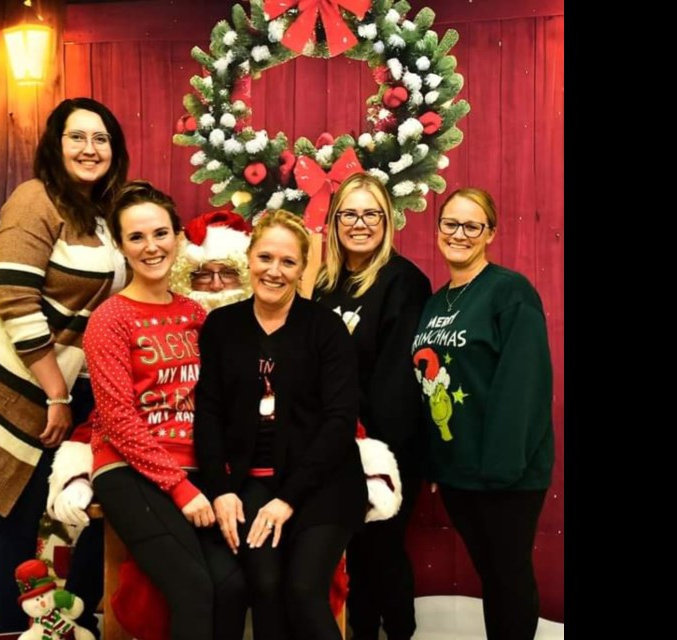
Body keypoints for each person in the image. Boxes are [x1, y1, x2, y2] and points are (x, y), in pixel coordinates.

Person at [0, 97, 129, 633]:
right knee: (14, 510)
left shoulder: (105, 212)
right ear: (55, 144)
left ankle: (72, 618)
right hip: (16, 376)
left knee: (105, 498)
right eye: (78, 137)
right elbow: (16, 302)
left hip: (70, 377)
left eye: (101, 139)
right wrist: (57, 396)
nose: (90, 149)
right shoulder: (34, 199)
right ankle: (10, 630)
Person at [83, 181, 246, 640]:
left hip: (195, 469)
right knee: (193, 587)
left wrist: (222, 482)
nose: (150, 246)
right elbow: (117, 419)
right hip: (129, 471)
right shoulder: (110, 320)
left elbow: (217, 405)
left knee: (232, 585)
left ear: (177, 236)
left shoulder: (196, 314)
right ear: (121, 246)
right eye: (136, 237)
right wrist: (179, 489)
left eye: (160, 233)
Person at [194, 210, 367, 640]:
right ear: (249, 259)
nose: (274, 271)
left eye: (288, 262)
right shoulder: (221, 326)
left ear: (302, 268)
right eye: (265, 257)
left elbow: (340, 421)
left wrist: (288, 499)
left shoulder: (325, 328)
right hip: (252, 482)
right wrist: (221, 490)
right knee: (265, 586)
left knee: (303, 590)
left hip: (323, 483)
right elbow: (209, 413)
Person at [411, 188, 554, 640]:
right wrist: (437, 460)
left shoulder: (509, 291)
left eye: (472, 225)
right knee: (492, 577)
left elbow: (524, 383)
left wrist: (502, 467)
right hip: (458, 472)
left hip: (505, 473)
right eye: (450, 223)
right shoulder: (436, 303)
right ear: (437, 230)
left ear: (489, 233)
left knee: (508, 578)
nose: (460, 234)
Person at [312, 173, 432, 640]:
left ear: (387, 221)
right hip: (336, 441)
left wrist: (366, 446)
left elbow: (395, 382)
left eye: (371, 214)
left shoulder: (403, 281)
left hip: (385, 443)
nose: (360, 224)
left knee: (382, 549)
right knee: (353, 552)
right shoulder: (326, 285)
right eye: (349, 214)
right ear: (335, 220)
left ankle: (399, 633)